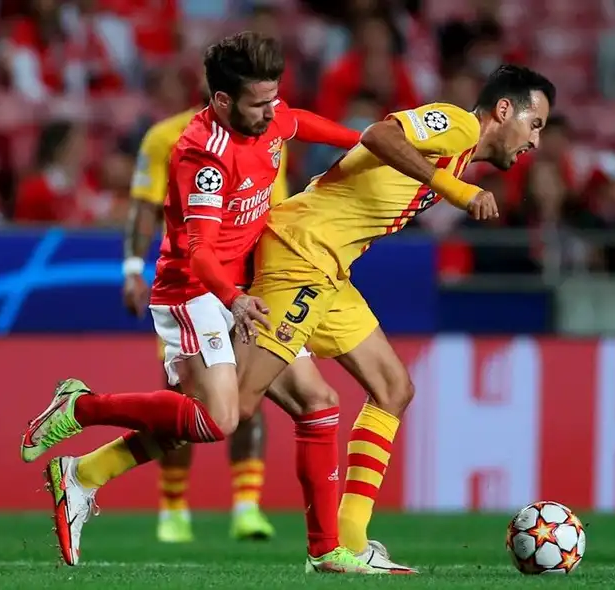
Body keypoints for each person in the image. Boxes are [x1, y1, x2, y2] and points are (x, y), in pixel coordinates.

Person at [19, 32, 387, 574]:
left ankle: (327, 550)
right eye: (259, 103)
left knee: (318, 403)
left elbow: (298, 122)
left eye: (272, 97)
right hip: (196, 294)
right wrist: (233, 298)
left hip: (249, 288)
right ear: (221, 101)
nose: (271, 111)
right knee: (219, 420)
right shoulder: (203, 156)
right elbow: (197, 251)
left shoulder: (269, 115)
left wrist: (363, 143)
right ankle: (80, 408)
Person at [230, 64, 554, 569]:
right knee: (228, 407)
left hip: (330, 269)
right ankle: (88, 445)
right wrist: (452, 188)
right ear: (505, 110)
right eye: (535, 124)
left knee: (393, 387)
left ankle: (352, 541)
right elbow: (378, 133)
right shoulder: (459, 125)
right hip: (301, 252)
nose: (535, 141)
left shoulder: (463, 154)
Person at [119, 93, 289, 544]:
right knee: (183, 394)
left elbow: (277, 209)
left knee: (249, 389)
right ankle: (173, 510)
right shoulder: (167, 138)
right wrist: (133, 269)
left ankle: (247, 507)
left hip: (249, 281)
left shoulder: (270, 135)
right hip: (193, 285)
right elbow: (143, 207)